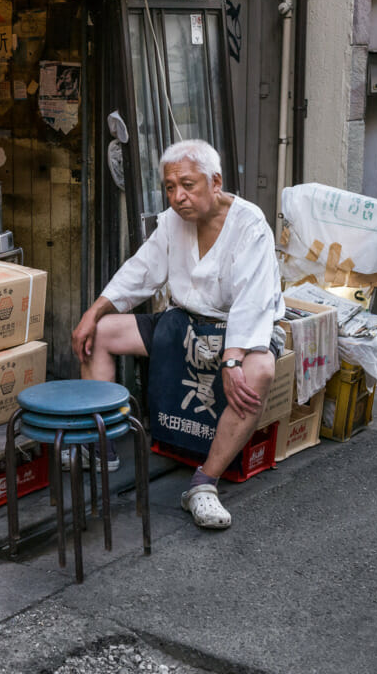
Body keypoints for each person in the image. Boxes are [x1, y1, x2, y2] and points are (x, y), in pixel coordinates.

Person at [71, 139, 284, 530]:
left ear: (215, 181)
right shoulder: (171, 221)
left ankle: (203, 484)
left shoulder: (250, 224)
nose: (178, 196)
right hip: (183, 321)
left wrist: (233, 359)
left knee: (259, 372)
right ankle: (101, 449)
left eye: (188, 185)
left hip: (237, 330)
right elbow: (141, 272)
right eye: (170, 187)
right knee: (99, 334)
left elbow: (254, 303)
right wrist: (94, 311)